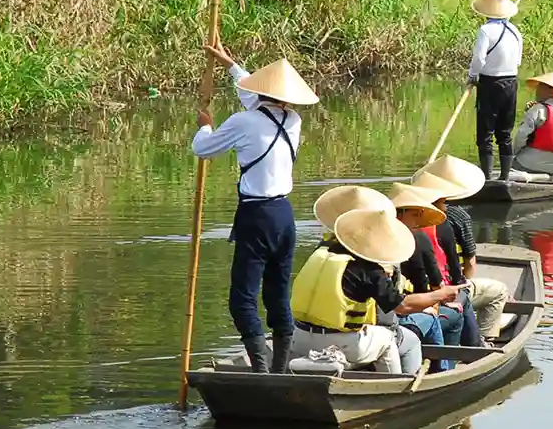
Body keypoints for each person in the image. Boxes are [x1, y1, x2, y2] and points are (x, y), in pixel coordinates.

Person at [192, 42, 319, 374]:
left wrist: (204, 125)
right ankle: (279, 369)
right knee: (278, 294)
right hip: (284, 217)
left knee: (242, 299)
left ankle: (260, 370)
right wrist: (230, 64)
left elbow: (203, 149)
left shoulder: (243, 122)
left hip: (257, 216)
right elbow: (254, 100)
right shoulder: (292, 120)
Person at [289, 203, 454, 374]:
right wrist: (440, 295)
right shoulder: (368, 269)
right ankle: (397, 386)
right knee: (401, 341)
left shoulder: (321, 252)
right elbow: (402, 306)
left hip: (299, 337)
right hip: (342, 342)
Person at [412, 155, 512, 339]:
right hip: (444, 287)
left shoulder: (403, 217)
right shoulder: (455, 217)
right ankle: (485, 339)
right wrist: (462, 285)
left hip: (415, 289)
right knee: (499, 291)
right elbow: (470, 264)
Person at [390, 184, 469, 370]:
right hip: (400, 317)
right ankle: (446, 369)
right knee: (455, 314)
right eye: (416, 214)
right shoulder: (419, 238)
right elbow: (434, 285)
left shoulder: (369, 242)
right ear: (401, 213)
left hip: (387, 313)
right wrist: (437, 299)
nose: (419, 219)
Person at [467, 0, 523, 182]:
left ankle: (487, 177)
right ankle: (504, 177)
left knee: (486, 132)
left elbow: (478, 58)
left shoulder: (485, 30)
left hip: (490, 84)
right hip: (511, 83)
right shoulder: (515, 31)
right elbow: (518, 61)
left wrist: (472, 76)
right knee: (505, 133)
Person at [511, 72, 553, 185]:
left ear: (550, 91)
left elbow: (521, 136)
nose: (537, 91)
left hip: (527, 162)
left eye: (540, 87)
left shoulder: (537, 110)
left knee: (512, 162)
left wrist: (514, 153)